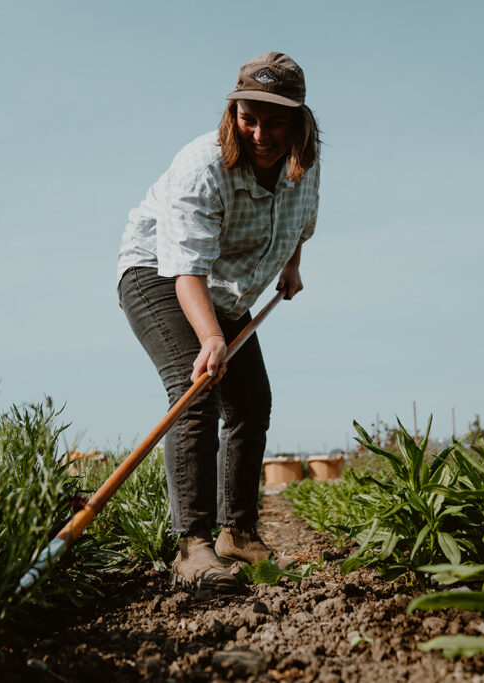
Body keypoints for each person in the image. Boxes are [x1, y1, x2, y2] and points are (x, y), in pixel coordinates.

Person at [116, 52, 321, 592]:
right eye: (248, 117)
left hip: (225, 287)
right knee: (198, 385)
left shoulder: (305, 166)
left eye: (275, 121)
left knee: (252, 401)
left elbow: (303, 223)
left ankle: (239, 534)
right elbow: (184, 268)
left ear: (299, 122)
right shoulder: (202, 165)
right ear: (233, 113)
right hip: (157, 272)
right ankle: (193, 545)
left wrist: (293, 266)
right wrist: (210, 338)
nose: (260, 133)